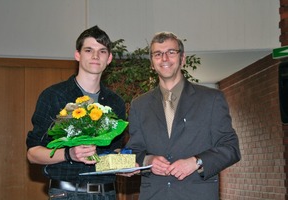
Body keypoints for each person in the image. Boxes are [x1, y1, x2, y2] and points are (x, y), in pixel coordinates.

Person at [125, 31, 241, 200]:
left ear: (182, 58)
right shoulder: (139, 105)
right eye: (158, 54)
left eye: (171, 52)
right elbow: (133, 151)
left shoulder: (212, 99)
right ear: (152, 62)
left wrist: (196, 162)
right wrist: (148, 161)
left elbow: (231, 148)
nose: (164, 58)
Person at [26, 25, 126, 200]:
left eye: (102, 51)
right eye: (89, 50)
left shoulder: (115, 102)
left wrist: (125, 165)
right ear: (77, 55)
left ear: (109, 58)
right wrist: (69, 154)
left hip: (107, 193)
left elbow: (114, 151)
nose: (96, 56)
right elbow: (33, 153)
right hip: (67, 193)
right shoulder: (54, 96)